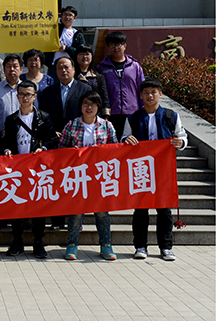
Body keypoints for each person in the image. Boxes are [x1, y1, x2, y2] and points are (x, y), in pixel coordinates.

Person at [122, 78, 188, 261]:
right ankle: (140, 246)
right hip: (140, 170)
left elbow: (183, 137)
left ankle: (166, 247)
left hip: (163, 170)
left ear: (160, 94)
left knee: (164, 210)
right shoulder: (133, 118)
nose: (149, 95)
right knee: (140, 210)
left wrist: (180, 142)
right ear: (140, 96)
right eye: (146, 92)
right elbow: (124, 138)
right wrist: (127, 140)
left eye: (153, 92)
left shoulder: (171, 116)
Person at [0, 80, 57, 258]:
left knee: (38, 208)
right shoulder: (11, 119)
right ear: (17, 97)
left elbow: (53, 140)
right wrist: (6, 149)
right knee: (16, 207)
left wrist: (43, 148)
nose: (25, 98)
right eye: (22, 94)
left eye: (29, 94)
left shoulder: (44, 117)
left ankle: (38, 242)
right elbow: (4, 141)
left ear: (35, 96)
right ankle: (17, 241)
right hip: (17, 170)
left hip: (37, 171)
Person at [59, 90, 118, 261]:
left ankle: (106, 245)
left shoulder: (107, 126)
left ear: (98, 107)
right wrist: (72, 152)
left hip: (100, 177)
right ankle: (72, 245)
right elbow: (61, 148)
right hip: (78, 176)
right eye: (85, 103)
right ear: (81, 106)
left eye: (93, 104)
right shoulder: (72, 125)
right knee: (77, 212)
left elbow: (115, 149)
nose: (89, 107)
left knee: (102, 213)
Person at [39, 56, 92, 230]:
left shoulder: (84, 89)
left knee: (76, 183)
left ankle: (75, 223)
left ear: (74, 69)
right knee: (56, 182)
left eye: (67, 67)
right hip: (55, 142)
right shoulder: (48, 92)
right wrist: (51, 132)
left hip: (77, 143)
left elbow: (89, 113)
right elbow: (43, 116)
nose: (63, 70)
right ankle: (57, 221)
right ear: (55, 71)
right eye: (60, 68)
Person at [97, 31, 144, 139]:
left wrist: (143, 109)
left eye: (118, 44)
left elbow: (141, 89)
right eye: (112, 45)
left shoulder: (134, 66)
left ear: (125, 46)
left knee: (132, 143)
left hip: (133, 113)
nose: (115, 48)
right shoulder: (102, 67)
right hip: (111, 114)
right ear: (108, 47)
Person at [47, 6, 85, 82]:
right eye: (65, 14)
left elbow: (81, 52)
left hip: (70, 67)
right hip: (54, 66)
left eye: (70, 15)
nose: (67, 17)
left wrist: (67, 48)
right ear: (61, 16)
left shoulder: (77, 34)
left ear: (74, 18)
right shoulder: (53, 30)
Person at [74, 45, 111, 118]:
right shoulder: (72, 76)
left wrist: (105, 116)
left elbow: (104, 97)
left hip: (95, 115)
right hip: (76, 115)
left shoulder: (98, 76)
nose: (84, 57)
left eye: (87, 54)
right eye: (81, 54)